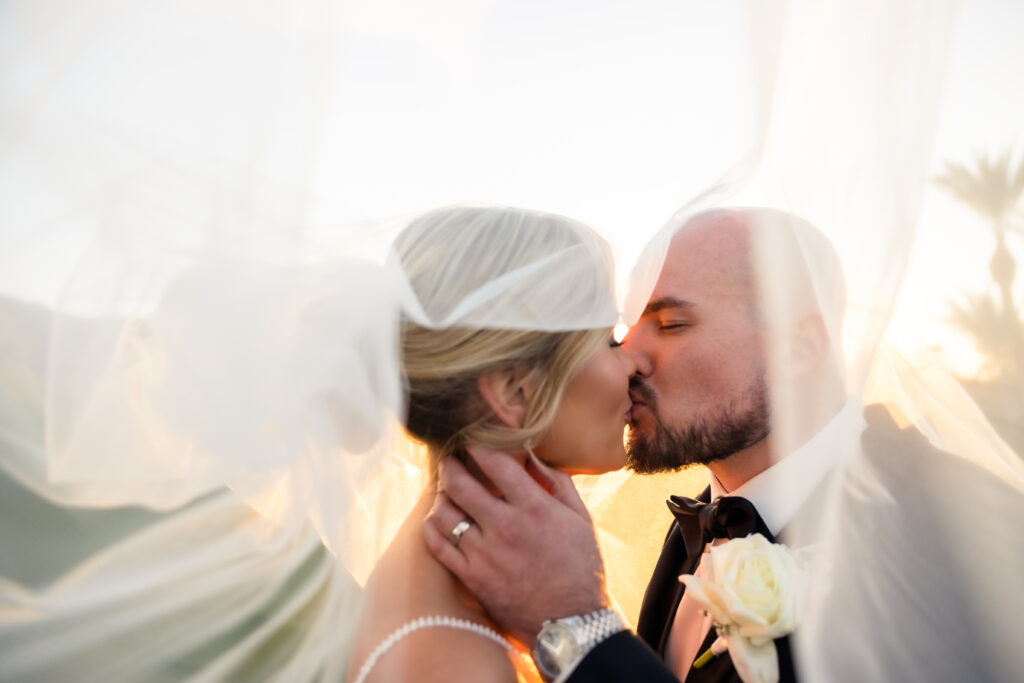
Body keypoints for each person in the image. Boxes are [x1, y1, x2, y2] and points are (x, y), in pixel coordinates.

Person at [423, 207, 1024, 682]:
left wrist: (580, 629)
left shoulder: (963, 530)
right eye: (623, 329)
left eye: (672, 323)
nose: (628, 358)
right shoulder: (696, 528)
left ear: (799, 348)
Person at [345, 205, 638, 683]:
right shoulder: (457, 661)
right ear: (513, 392)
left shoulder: (441, 592)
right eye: (608, 339)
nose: (634, 365)